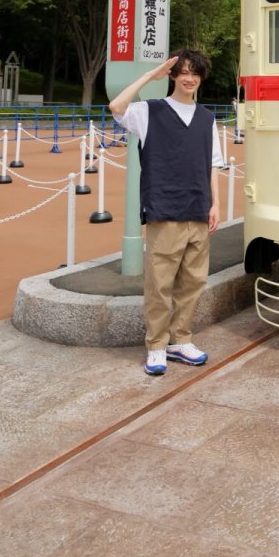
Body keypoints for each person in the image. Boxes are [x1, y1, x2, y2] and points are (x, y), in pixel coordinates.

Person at [109, 50, 222, 376]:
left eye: (195, 73)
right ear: (173, 76)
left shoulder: (207, 117)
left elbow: (213, 164)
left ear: (201, 77)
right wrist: (149, 77)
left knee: (193, 282)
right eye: (183, 72)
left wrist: (215, 204)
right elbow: (116, 107)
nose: (189, 78)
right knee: (159, 285)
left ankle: (180, 340)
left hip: (198, 210)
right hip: (164, 209)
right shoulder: (149, 111)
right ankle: (156, 345)